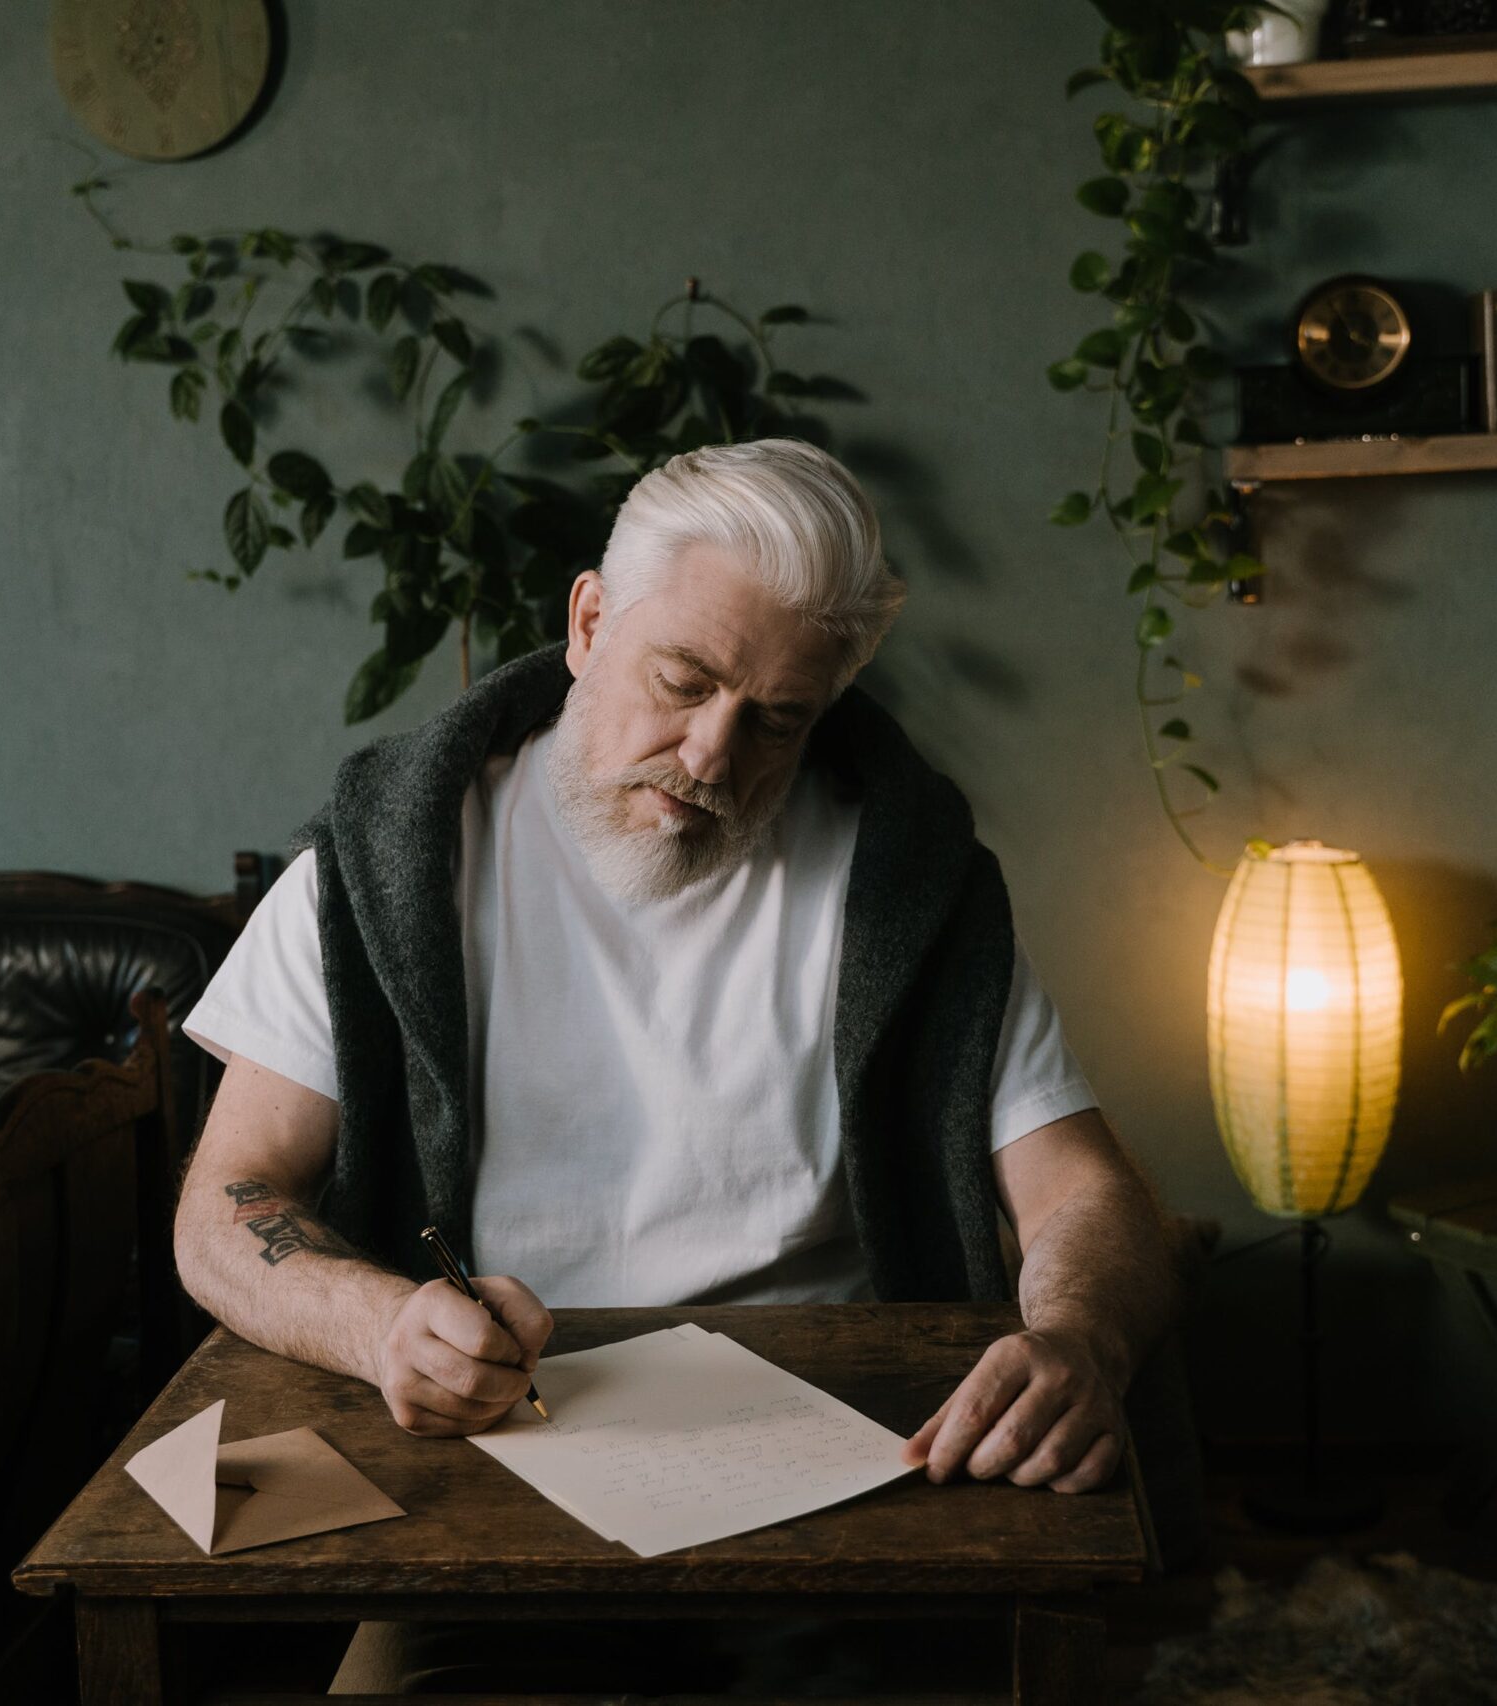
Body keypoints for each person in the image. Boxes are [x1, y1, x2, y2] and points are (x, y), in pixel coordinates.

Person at [172, 436, 1179, 1693]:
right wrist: (381, 1321)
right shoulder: (384, 868)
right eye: (683, 680)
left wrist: (1082, 1338)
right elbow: (224, 1207)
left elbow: (1084, 1193)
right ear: (590, 620)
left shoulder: (911, 887)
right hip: (490, 1480)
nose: (712, 754)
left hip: (848, 1485)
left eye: (777, 720)